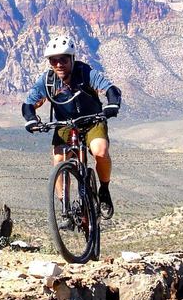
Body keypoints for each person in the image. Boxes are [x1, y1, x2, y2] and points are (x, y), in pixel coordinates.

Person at [21, 34, 122, 218]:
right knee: (59, 160)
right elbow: (29, 103)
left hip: (93, 120)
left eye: (64, 60)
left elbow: (110, 89)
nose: (59, 64)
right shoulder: (47, 81)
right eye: (54, 60)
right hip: (65, 124)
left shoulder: (85, 72)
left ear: (72, 58)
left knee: (100, 152)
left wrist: (112, 104)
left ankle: (104, 190)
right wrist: (31, 119)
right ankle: (64, 207)